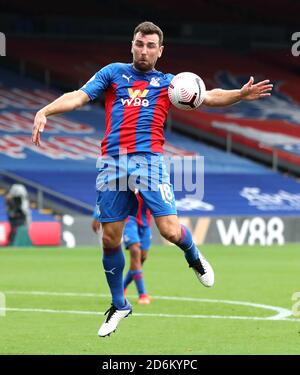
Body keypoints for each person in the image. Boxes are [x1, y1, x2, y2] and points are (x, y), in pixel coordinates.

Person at [32, 21, 273, 337]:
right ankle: (120, 304)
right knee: (109, 238)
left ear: (160, 51)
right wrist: (46, 111)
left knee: (170, 231)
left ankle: (194, 256)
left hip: (149, 162)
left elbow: (210, 96)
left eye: (150, 46)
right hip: (113, 163)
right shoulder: (113, 73)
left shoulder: (170, 84)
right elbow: (78, 96)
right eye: (139, 44)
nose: (143, 50)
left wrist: (239, 95)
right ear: (132, 45)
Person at [92, 192, 152, 305]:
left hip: (145, 220)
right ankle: (142, 294)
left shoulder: (148, 177)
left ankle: (123, 286)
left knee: (142, 258)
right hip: (129, 219)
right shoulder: (125, 176)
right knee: (135, 251)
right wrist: (97, 215)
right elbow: (109, 191)